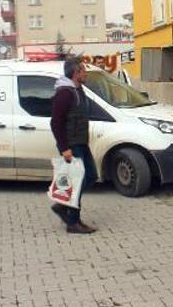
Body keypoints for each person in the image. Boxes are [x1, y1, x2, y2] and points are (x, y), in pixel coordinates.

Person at [50, 58, 98, 234]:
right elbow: (56, 123)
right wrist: (64, 148)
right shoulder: (65, 93)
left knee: (91, 176)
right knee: (78, 182)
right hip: (72, 144)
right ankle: (73, 222)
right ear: (75, 73)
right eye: (83, 70)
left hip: (81, 142)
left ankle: (63, 205)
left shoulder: (78, 89)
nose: (86, 73)